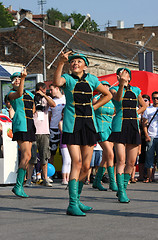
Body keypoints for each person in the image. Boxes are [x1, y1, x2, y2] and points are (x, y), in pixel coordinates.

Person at [53, 51, 112, 216]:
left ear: (85, 65)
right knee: (77, 162)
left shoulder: (92, 79)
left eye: (79, 61)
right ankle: (72, 204)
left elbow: (108, 95)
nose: (75, 63)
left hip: (88, 125)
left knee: (86, 166)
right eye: (72, 62)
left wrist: (95, 106)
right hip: (72, 126)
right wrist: (61, 62)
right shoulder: (68, 78)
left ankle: (77, 200)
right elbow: (56, 82)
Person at [108, 68, 146, 203]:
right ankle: (121, 191)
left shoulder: (136, 90)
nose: (122, 76)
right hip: (119, 125)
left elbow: (143, 105)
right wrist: (122, 85)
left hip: (133, 126)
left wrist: (136, 114)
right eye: (119, 74)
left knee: (131, 162)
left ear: (129, 77)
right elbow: (117, 100)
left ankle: (122, 188)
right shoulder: (114, 90)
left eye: (124, 74)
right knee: (121, 160)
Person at [7, 70, 36, 198]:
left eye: (20, 78)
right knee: (26, 154)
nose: (18, 80)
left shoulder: (30, 94)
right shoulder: (11, 94)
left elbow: (33, 107)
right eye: (16, 79)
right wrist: (24, 79)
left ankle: (19, 185)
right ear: (12, 83)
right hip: (21, 125)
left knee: (28, 156)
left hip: (30, 125)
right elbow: (19, 94)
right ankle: (18, 185)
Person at [26, 82, 55, 187]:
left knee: (44, 156)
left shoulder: (45, 99)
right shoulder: (32, 99)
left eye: (41, 89)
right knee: (32, 157)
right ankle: (29, 179)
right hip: (33, 131)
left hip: (44, 131)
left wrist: (44, 96)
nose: (39, 91)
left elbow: (53, 104)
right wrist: (35, 98)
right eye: (38, 89)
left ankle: (45, 178)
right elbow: (32, 111)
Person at [92, 80, 118, 192]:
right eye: (104, 86)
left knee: (106, 157)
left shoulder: (112, 101)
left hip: (110, 128)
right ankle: (113, 182)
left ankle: (97, 181)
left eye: (108, 86)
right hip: (100, 127)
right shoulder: (96, 99)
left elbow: (115, 112)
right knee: (110, 154)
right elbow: (92, 111)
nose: (106, 88)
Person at [142, 91, 158, 182]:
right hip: (151, 135)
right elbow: (144, 124)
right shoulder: (148, 109)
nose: (156, 100)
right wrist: (146, 135)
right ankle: (149, 177)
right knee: (149, 157)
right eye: (154, 98)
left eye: (157, 98)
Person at [48, 84, 66, 166]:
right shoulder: (51, 101)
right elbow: (49, 115)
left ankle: (64, 174)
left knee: (64, 152)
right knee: (52, 152)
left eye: (51, 90)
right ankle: (50, 174)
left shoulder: (66, 99)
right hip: (53, 128)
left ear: (57, 88)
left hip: (64, 128)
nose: (50, 92)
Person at [137, 94, 150, 181]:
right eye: (142, 100)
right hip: (139, 135)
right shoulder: (137, 111)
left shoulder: (151, 110)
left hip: (150, 135)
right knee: (140, 155)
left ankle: (149, 175)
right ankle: (141, 175)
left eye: (146, 100)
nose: (144, 102)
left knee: (149, 156)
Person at [59, 110, 71, 185]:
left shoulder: (70, 121)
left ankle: (68, 178)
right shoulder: (61, 122)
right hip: (64, 144)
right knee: (66, 160)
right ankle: (63, 178)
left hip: (70, 143)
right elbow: (62, 131)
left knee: (70, 161)